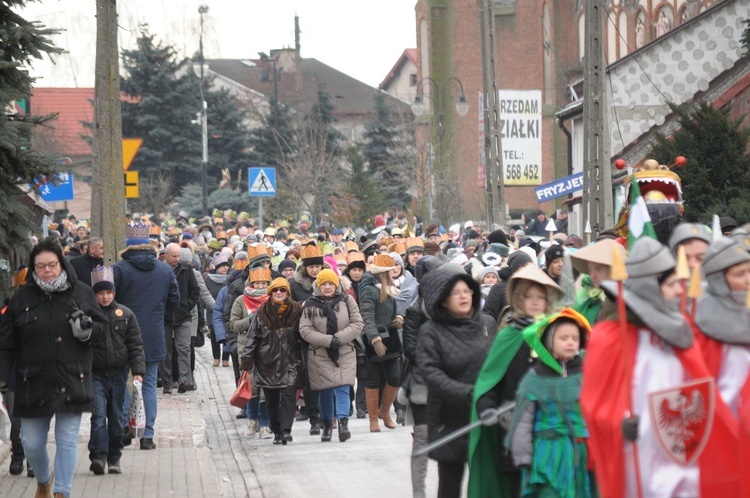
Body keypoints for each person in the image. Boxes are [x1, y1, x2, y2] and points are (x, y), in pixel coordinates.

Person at [581, 238, 740, 497]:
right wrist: (618, 423)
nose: (681, 291)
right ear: (650, 289)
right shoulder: (610, 337)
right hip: (637, 455)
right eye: (671, 284)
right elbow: (594, 403)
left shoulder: (681, 333)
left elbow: (702, 391)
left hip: (682, 452)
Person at [0, 239, 107, 498]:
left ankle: (62, 492)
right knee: (32, 443)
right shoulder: (22, 298)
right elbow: (6, 344)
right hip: (33, 381)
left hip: (73, 378)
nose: (47, 270)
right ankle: (44, 479)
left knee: (68, 439)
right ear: (33, 269)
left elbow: (102, 330)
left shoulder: (80, 292)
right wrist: (2, 380)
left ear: (61, 264)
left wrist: (87, 330)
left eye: (51, 265)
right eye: (40, 266)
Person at [468, 264, 563, 498]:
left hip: (549, 427)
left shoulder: (558, 335)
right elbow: (490, 380)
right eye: (528, 297)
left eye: (540, 297)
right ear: (519, 300)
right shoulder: (508, 335)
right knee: (516, 486)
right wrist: (487, 407)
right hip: (512, 427)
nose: (534, 302)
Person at [417, 263, 497, 498]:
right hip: (449, 417)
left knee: (487, 478)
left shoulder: (488, 324)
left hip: (486, 411)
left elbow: (499, 363)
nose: (463, 296)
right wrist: (468, 393)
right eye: (455, 292)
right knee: (451, 481)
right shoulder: (431, 331)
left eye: (467, 290)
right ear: (442, 300)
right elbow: (431, 374)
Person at [506, 308, 594, 498]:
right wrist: (523, 456)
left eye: (575, 338)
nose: (570, 342)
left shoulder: (587, 372)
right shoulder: (535, 377)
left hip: (581, 451)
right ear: (549, 343)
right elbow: (522, 420)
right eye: (563, 338)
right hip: (547, 453)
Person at [114, 223, 180, 450]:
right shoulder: (164, 270)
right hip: (153, 333)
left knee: (123, 381)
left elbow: (108, 302)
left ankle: (124, 428)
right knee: (150, 384)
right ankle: (147, 435)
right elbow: (175, 301)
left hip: (121, 335)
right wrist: (159, 315)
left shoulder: (119, 269)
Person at [88, 265, 145, 475]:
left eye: (108, 292)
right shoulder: (88, 315)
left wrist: (138, 371)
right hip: (95, 373)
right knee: (97, 415)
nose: (105, 297)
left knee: (115, 417)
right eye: (100, 293)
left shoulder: (126, 314)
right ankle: (98, 454)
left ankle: (114, 457)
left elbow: (136, 345)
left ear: (114, 293)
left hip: (119, 373)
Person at [299, 269, 364, 442]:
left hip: (344, 350)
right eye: (324, 284)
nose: (327, 287)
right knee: (325, 390)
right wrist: (328, 340)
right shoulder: (310, 305)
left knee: (343, 386)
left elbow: (357, 322)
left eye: (331, 283)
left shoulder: (347, 300)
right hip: (320, 352)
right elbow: (305, 330)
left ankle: (343, 424)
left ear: (337, 284)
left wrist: (339, 339)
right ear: (318, 286)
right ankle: (327, 425)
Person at [402, 255, 447, 498]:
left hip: (449, 385)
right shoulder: (415, 311)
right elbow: (410, 350)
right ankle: (419, 493)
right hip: (421, 384)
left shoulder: (453, 311)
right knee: (422, 438)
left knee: (447, 440)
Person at [241, 278, 304, 445]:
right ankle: (276, 430)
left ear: (288, 293)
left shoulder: (297, 311)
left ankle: (285, 431)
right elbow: (252, 338)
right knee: (272, 401)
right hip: (267, 363)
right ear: (270, 293)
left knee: (289, 396)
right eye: (275, 290)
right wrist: (246, 365)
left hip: (291, 361)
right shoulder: (262, 313)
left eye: (282, 290)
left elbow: (304, 334)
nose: (279, 293)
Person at [358, 253, 403, 432]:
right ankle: (373, 419)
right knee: (373, 379)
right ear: (382, 272)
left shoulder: (390, 288)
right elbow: (367, 316)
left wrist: (398, 317)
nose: (393, 272)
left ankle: (385, 412)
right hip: (374, 338)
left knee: (395, 377)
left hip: (390, 337)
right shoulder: (369, 289)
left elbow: (393, 308)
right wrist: (374, 339)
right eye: (390, 270)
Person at [230, 267, 272, 439]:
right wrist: (251, 319)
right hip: (247, 349)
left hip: (269, 349)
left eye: (264, 283)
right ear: (251, 282)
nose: (260, 285)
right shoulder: (241, 300)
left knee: (267, 387)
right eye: (257, 282)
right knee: (251, 387)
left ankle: (266, 424)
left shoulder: (272, 299)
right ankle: (252, 420)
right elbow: (234, 325)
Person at [290, 243, 325, 435]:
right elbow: (288, 308)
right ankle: (314, 418)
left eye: (317, 266)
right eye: (311, 267)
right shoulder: (295, 285)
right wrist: (301, 306)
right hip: (304, 338)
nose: (314, 270)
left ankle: (330, 416)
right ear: (305, 267)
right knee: (311, 381)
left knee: (328, 379)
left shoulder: (329, 282)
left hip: (326, 336)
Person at [161, 243, 200, 394]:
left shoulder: (186, 268)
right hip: (164, 316)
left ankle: (185, 381)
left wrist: (188, 305)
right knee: (165, 351)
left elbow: (195, 290)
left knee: (184, 348)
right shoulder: (160, 269)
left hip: (183, 315)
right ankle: (167, 382)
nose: (177, 259)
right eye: (174, 256)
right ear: (166, 255)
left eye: (178, 256)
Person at [569, 238, 626, 326]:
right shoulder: (589, 301)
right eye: (590, 269)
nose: (593, 276)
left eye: (599, 269)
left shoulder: (626, 304)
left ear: (613, 270)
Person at [204, 255, 231, 367]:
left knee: (228, 334)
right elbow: (204, 294)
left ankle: (226, 358)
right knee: (214, 334)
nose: (225, 268)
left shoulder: (230, 279)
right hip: (212, 311)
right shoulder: (208, 279)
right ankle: (216, 357)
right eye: (222, 266)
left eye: (226, 266)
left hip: (227, 311)